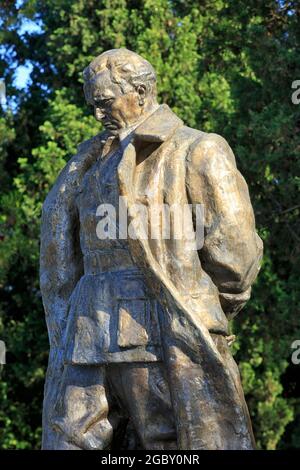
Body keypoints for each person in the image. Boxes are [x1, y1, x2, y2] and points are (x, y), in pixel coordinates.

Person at [40, 48, 263, 450]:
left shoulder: (196, 150)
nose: (97, 115)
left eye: (104, 103)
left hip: (163, 332)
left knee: (167, 442)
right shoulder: (87, 161)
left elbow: (236, 253)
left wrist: (203, 308)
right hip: (85, 337)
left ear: (140, 91)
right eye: (92, 105)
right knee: (67, 438)